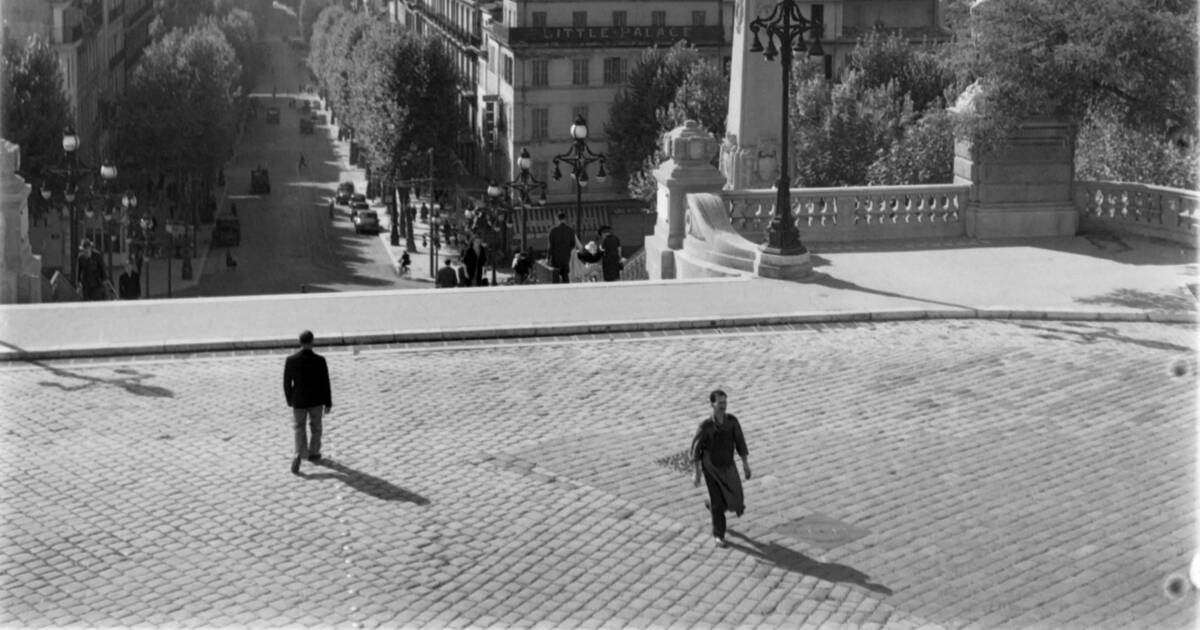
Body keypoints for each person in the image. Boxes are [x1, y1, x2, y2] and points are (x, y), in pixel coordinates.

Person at [691, 389, 751, 547]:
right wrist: (696, 473)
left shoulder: (732, 422)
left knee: (736, 500)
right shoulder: (706, 426)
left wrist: (745, 464)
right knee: (718, 501)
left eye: (725, 402)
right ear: (712, 404)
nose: (723, 406)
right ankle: (719, 535)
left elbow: (740, 442)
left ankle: (713, 508)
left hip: (728, 466)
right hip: (711, 468)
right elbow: (695, 450)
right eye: (720, 403)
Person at [283, 330, 333, 475]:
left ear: (300, 342)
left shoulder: (291, 360)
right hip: (316, 400)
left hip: (298, 401)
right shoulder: (320, 360)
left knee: (299, 427)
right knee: (316, 427)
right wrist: (328, 402)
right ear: (312, 341)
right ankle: (314, 452)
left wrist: (290, 399)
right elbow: (325, 383)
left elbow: (287, 383)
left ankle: (299, 452)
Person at [547, 212, 580, 284]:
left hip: (555, 259)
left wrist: (548, 258)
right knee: (565, 277)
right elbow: (573, 244)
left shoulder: (553, 231)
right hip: (566, 258)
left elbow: (550, 247)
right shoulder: (570, 231)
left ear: (557, 219)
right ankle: (567, 292)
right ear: (565, 219)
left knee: (555, 278)